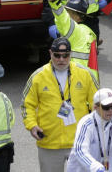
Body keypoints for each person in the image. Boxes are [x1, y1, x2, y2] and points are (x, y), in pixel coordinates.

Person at [22, 38, 98, 172]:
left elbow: (98, 104)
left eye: (65, 55)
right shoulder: (38, 77)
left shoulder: (85, 74)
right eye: (57, 55)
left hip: (79, 144)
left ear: (71, 54)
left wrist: (95, 130)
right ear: (50, 53)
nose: (61, 59)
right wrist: (32, 126)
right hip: (49, 143)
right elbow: (26, 105)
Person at [66, 87, 112, 172]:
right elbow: (80, 150)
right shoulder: (86, 123)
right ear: (95, 107)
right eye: (106, 107)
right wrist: (96, 168)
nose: (111, 110)